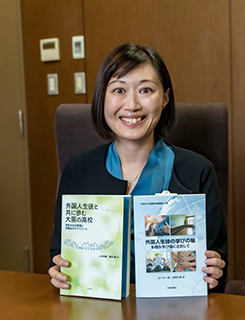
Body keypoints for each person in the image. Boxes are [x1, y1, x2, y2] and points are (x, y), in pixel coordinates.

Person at [49, 43, 227, 292]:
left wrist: (214, 270)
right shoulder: (77, 169)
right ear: (103, 99)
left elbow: (218, 268)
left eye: (145, 90)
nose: (131, 105)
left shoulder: (197, 171)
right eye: (119, 90)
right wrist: (58, 270)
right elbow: (59, 253)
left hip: (173, 310)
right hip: (95, 310)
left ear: (165, 98)